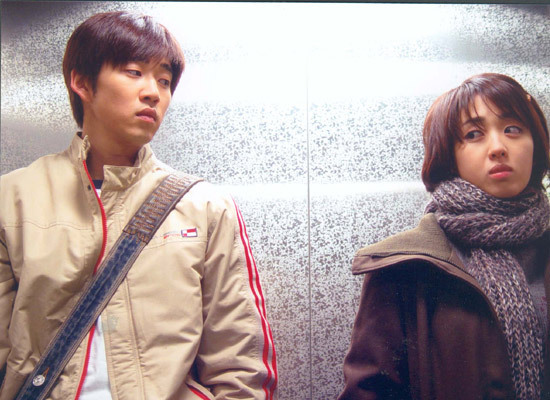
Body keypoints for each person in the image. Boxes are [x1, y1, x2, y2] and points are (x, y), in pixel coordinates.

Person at [0, 11, 277, 400]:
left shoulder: (204, 206)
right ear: (82, 82)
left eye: (164, 80)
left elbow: (241, 360)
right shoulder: (13, 199)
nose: (153, 93)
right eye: (134, 72)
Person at [338, 73, 550, 399]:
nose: (498, 147)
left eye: (512, 129)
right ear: (449, 156)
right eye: (473, 134)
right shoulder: (406, 267)